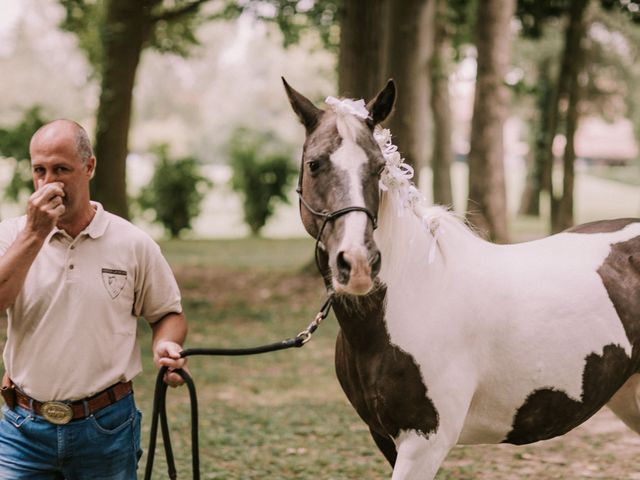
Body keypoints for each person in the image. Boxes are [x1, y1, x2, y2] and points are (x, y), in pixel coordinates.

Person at [0, 119, 188, 479]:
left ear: (89, 167)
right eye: (39, 170)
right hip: (23, 429)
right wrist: (34, 234)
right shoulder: (11, 236)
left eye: (61, 169)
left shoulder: (133, 243)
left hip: (106, 428)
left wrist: (166, 345)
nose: (48, 182)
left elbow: (167, 313)